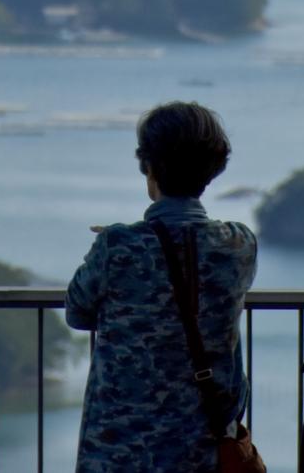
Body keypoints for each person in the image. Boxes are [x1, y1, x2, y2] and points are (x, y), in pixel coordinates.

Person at [65, 101, 257, 473]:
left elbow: (77, 312)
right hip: (202, 449)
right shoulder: (239, 245)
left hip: (118, 449)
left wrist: (116, 247)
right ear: (213, 168)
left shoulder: (118, 246)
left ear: (149, 167)